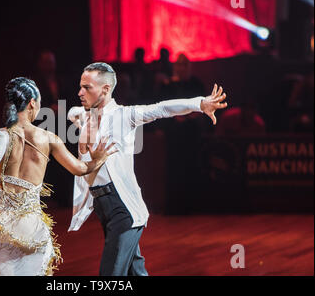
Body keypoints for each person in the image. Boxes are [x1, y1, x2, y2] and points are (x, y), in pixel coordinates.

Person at [0, 77, 117, 276]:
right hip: (27, 228)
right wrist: (99, 159)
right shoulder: (49, 139)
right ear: (32, 103)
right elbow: (79, 168)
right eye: (40, 102)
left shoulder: (3, 135)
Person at [67, 62, 227, 276]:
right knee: (136, 273)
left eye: (87, 87)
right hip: (103, 207)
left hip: (122, 208)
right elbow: (72, 113)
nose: (80, 92)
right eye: (80, 86)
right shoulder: (83, 115)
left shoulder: (125, 116)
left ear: (105, 89)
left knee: (110, 276)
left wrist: (199, 103)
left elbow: (162, 108)